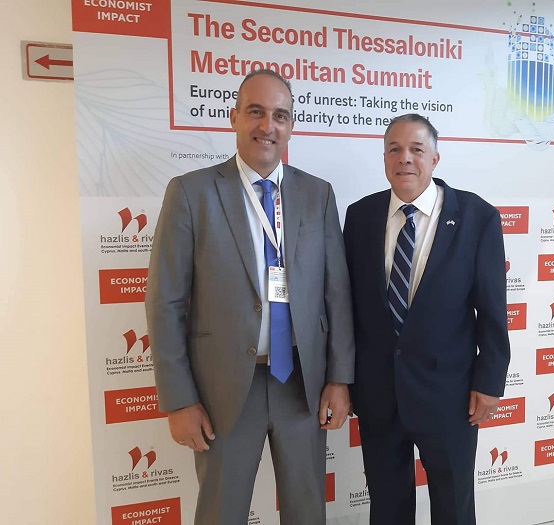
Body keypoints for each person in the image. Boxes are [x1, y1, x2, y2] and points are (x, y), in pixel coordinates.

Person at [145, 69, 355, 525]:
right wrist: (178, 399)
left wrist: (339, 379)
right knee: (221, 513)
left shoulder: (317, 194)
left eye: (280, 115)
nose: (267, 126)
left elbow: (336, 293)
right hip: (221, 389)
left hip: (300, 384)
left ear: (291, 125)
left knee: (306, 512)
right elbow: (165, 303)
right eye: (255, 112)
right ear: (234, 117)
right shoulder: (192, 192)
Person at [343, 113, 510, 525]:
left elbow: (492, 309)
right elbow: (348, 307)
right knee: (387, 508)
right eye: (394, 149)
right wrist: (343, 380)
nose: (405, 158)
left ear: (435, 158)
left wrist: (489, 382)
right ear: (384, 158)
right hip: (379, 393)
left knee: (454, 507)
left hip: (450, 396)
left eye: (416, 149)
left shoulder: (477, 217)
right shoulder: (360, 216)